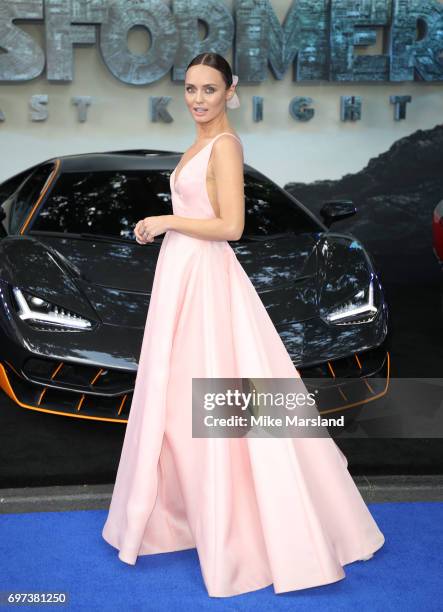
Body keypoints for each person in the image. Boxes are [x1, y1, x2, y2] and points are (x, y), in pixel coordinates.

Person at [102, 52, 385, 598]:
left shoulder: (226, 146)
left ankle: (238, 529)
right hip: (183, 277)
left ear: (231, 91)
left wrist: (164, 221)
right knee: (179, 399)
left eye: (209, 89)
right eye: (190, 88)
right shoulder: (198, 145)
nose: (198, 99)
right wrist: (167, 231)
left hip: (206, 281)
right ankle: (181, 518)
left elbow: (230, 225)